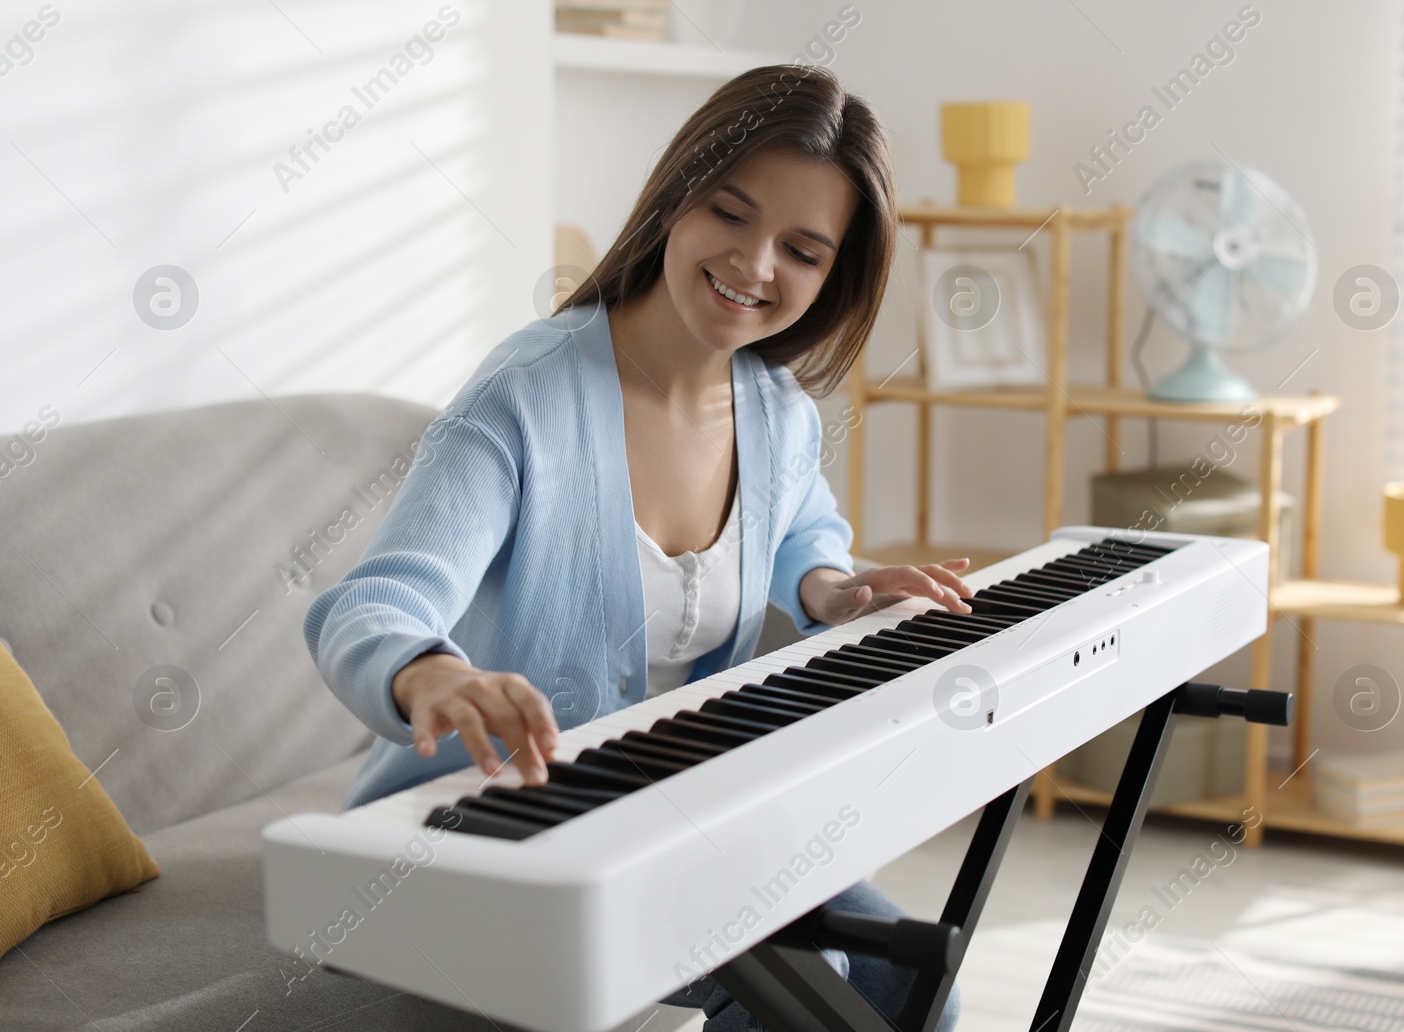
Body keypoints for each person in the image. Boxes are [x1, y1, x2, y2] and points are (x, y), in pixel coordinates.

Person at [304, 62, 969, 1031]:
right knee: (803, 982)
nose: (754, 262)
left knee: (915, 988)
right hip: (491, 833)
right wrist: (434, 672)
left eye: (802, 248)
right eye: (729, 213)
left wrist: (828, 583)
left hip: (665, 811)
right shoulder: (524, 397)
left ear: (835, 278)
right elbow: (372, 605)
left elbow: (800, 522)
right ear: (674, 201)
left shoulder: (777, 410)